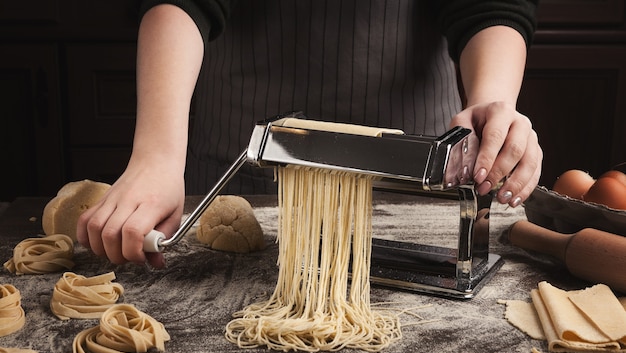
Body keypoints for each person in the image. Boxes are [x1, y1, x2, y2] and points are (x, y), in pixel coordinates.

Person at [77, 0, 542, 269]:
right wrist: (158, 153)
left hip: (412, 167)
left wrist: (492, 103)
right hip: (242, 163)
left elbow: (489, 5)